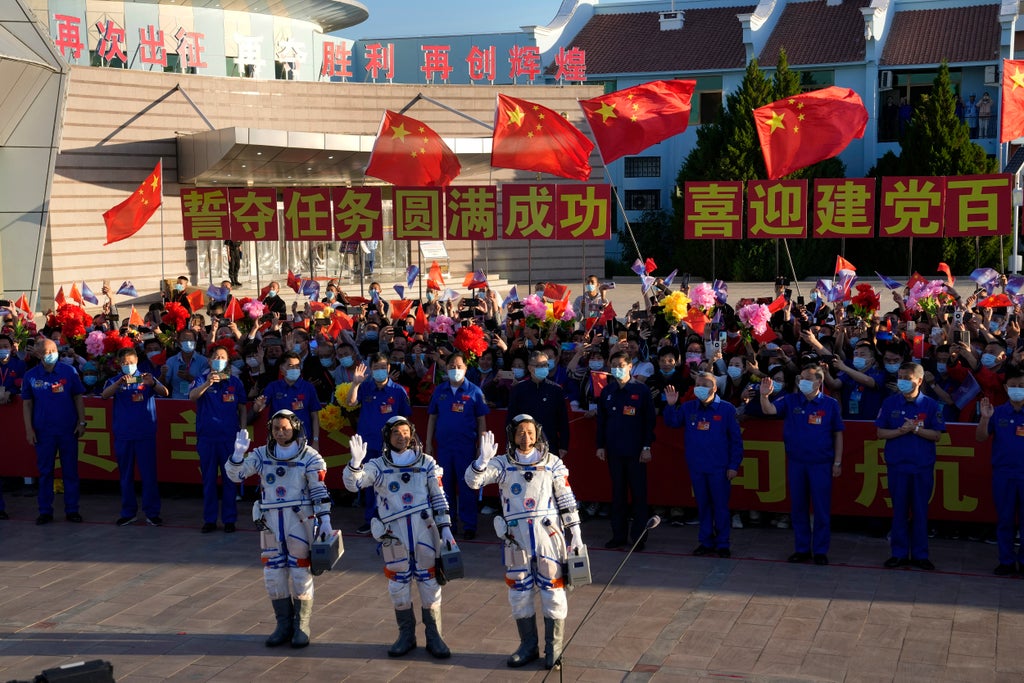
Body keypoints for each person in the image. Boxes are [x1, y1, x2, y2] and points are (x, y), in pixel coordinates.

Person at [466, 415, 583, 669]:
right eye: (520, 432)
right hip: (516, 538)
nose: (526, 437)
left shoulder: (552, 463)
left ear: (537, 434)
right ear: (512, 435)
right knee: (519, 592)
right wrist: (482, 461)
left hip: (548, 536)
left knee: (553, 592)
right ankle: (528, 646)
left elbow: (566, 498)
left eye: (530, 432)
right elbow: (473, 482)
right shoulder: (502, 464)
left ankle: (554, 649)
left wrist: (576, 533)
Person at [343, 416, 455, 658]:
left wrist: (445, 528)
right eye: (396, 433)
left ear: (412, 434)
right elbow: (354, 485)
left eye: (405, 432)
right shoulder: (377, 466)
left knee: (430, 584)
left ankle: (434, 636)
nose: (401, 437)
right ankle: (406, 635)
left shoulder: (426, 462)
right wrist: (355, 463)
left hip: (424, 532)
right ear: (387, 437)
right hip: (394, 535)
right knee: (398, 585)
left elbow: (439, 496)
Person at [226, 410, 331, 648]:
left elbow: (319, 490)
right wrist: (238, 455)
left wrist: (325, 519)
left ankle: (301, 625)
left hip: (299, 520)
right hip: (271, 522)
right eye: (276, 428)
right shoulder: (261, 454)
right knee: (273, 574)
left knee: (300, 572)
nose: (280, 433)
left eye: (285, 428)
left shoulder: (310, 456)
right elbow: (236, 475)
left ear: (295, 428)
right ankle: (283, 625)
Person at [758, 365, 845, 565]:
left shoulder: (830, 404)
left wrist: (837, 462)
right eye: (801, 377)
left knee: (821, 509)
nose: (802, 381)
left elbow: (838, 434)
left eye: (807, 378)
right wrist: (764, 396)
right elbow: (769, 410)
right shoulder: (790, 400)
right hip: (797, 463)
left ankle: (820, 550)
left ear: (818, 382)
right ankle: (802, 549)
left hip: (821, 464)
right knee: (798, 508)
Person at [663, 373, 743, 558]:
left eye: (704, 384)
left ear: (714, 388)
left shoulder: (726, 409)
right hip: (697, 467)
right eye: (697, 384)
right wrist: (671, 405)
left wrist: (733, 466)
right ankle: (706, 541)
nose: (700, 387)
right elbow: (672, 422)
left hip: (719, 468)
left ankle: (722, 543)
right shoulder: (688, 407)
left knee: (720, 506)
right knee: (703, 505)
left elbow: (736, 441)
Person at [876, 362, 945, 570]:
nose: (902, 382)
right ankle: (898, 553)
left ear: (919, 380)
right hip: (897, 467)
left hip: (921, 467)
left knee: (920, 512)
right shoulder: (890, 403)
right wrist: (900, 431)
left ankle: (920, 555)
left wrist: (915, 429)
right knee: (899, 512)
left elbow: (937, 435)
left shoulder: (930, 405)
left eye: (907, 378)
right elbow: (880, 432)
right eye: (900, 377)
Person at [21, 339, 88, 525]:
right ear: (38, 354)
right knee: (45, 472)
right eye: (46, 352)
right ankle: (45, 511)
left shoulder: (69, 371)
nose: (51, 354)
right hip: (43, 432)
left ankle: (72, 510)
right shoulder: (30, 376)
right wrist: (29, 429)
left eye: (53, 350)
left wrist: (82, 422)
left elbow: (78, 397)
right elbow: (27, 404)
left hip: (68, 430)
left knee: (70, 471)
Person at [101, 347, 170, 526]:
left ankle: (152, 512)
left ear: (137, 361)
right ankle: (128, 512)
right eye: (125, 363)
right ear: (119, 363)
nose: (128, 366)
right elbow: (104, 395)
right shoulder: (115, 380)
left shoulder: (146, 378)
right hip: (123, 435)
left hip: (144, 434)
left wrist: (152, 383)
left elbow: (165, 392)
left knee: (148, 475)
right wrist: (118, 384)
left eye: (131, 362)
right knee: (125, 475)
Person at [595, 351, 656, 550]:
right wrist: (600, 445)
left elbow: (649, 422)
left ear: (630, 366)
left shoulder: (641, 390)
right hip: (614, 451)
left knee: (639, 495)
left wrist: (646, 447)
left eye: (621, 365)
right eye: (613, 365)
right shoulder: (608, 391)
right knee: (618, 495)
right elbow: (602, 421)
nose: (617, 369)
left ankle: (638, 538)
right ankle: (618, 536)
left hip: (636, 452)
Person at [346, 353, 412, 534]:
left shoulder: (398, 391)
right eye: (376, 368)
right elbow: (350, 402)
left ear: (389, 368)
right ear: (371, 369)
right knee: (369, 483)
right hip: (368, 444)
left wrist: (404, 443)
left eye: (383, 367)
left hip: (391, 446)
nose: (380, 371)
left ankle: (393, 520)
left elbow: (405, 419)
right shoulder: (365, 387)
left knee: (392, 482)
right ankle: (372, 520)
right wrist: (355, 383)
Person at [425, 352, 489, 539]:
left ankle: (469, 525)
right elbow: (432, 417)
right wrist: (428, 443)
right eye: (452, 366)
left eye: (459, 366)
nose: (455, 369)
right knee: (445, 487)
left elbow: (481, 420)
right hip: (444, 446)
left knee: (467, 485)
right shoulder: (440, 390)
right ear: (446, 368)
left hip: (466, 447)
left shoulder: (474, 391)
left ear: (466, 368)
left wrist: (482, 446)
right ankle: (448, 523)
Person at [189, 345, 248, 533]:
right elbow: (192, 396)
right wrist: (208, 383)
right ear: (209, 360)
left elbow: (242, 408)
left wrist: (243, 431)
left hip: (229, 438)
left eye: (223, 357)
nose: (219, 360)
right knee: (208, 480)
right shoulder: (201, 379)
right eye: (216, 357)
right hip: (207, 438)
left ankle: (229, 519)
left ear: (228, 361)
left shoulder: (235, 382)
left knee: (230, 480)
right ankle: (210, 519)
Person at [975, 373, 1024, 575]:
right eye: (1013, 385)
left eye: (1021, 385)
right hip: (1003, 474)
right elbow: (980, 438)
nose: (1017, 389)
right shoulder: (998, 412)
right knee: (1005, 520)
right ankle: (1006, 561)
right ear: (1006, 388)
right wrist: (985, 418)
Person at [506, 349, 570, 458]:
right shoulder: (519, 390)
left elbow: (563, 420)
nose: (544, 368)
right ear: (530, 368)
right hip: (524, 445)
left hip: (549, 444)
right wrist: (511, 443)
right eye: (540, 365)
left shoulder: (556, 390)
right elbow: (510, 419)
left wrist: (563, 446)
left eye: (545, 365)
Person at [253, 352, 322, 447]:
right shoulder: (273, 387)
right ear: (281, 369)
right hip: (278, 439)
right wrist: (258, 405)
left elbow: (314, 416)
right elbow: (258, 409)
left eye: (297, 366)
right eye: (290, 366)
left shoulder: (308, 387)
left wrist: (316, 440)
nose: (294, 369)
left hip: (302, 439)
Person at [162, 329, 209, 399]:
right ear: (178, 343)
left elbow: (206, 383)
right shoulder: (171, 361)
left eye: (190, 340)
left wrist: (189, 377)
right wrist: (163, 375)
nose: (188, 342)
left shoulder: (204, 361)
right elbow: (163, 385)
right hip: (177, 401)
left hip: (197, 401)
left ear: (195, 343)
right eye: (184, 340)